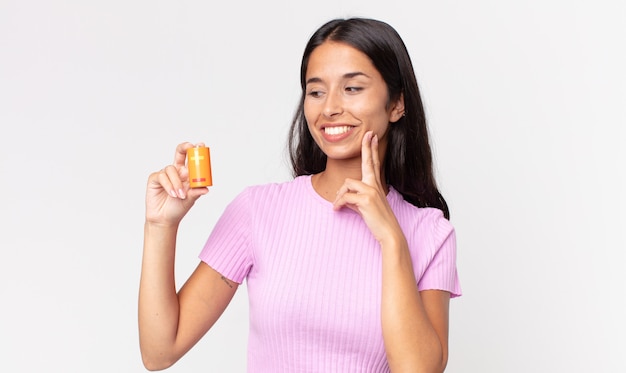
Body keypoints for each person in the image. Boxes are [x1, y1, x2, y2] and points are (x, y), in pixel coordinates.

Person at [139, 17, 461, 372]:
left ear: (397, 103)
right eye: (316, 91)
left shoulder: (429, 232)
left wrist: (390, 238)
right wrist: (160, 226)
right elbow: (159, 352)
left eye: (352, 88)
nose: (329, 108)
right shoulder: (257, 211)